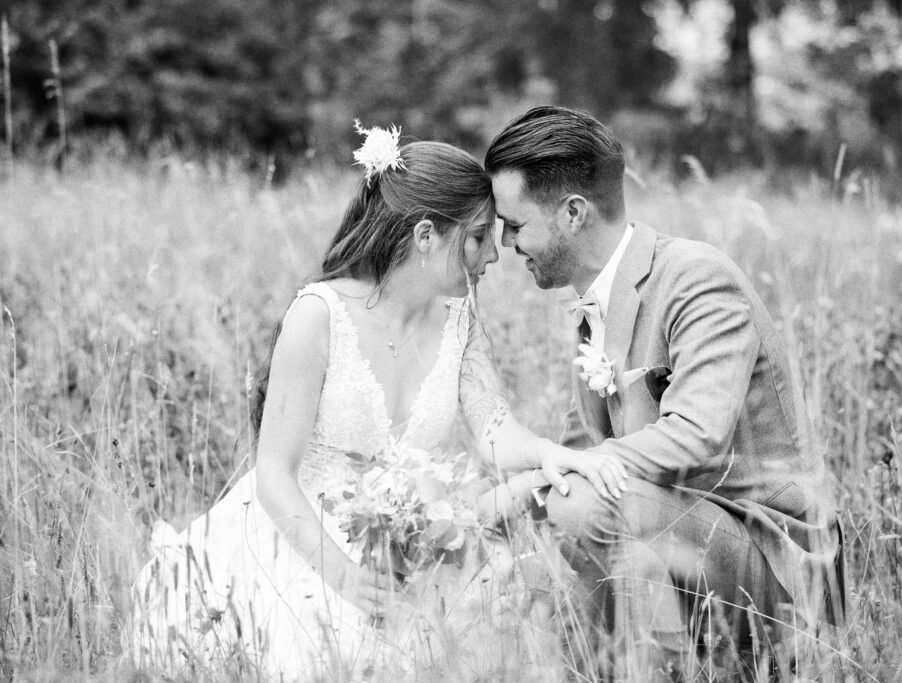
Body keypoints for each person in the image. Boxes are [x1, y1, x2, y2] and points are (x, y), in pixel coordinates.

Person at [129, 129, 614, 680]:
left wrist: (546, 453)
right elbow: (274, 474)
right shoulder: (319, 316)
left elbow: (494, 428)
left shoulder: (461, 321)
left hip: (408, 542)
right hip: (303, 537)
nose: (495, 254)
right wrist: (344, 577)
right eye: (479, 237)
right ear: (426, 235)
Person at [484, 106, 846, 679]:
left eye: (515, 224)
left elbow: (695, 436)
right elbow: (578, 450)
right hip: (676, 532)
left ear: (573, 213)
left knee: (580, 501)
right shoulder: (592, 308)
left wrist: (531, 488)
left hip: (770, 558)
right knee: (542, 554)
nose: (505, 242)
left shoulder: (696, 277)